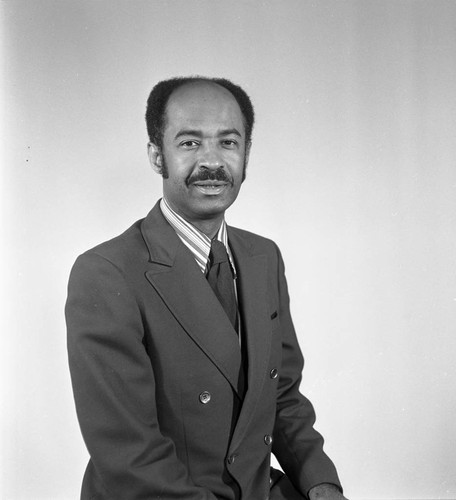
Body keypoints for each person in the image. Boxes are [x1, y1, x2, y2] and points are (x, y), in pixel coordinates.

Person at [66, 76, 347, 500]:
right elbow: (129, 457)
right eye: (190, 143)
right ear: (156, 156)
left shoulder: (262, 257)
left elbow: (281, 396)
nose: (211, 161)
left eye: (228, 142)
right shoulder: (105, 272)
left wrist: (320, 483)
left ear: (247, 154)